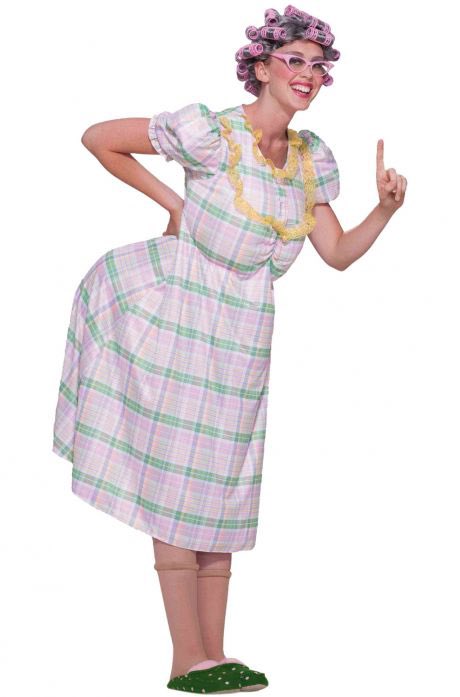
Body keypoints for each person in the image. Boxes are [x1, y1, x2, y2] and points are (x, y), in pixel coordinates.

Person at [51, 4, 407, 693]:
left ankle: (213, 654)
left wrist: (385, 211)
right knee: (178, 481)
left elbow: (336, 252)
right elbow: (99, 138)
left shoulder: (306, 161)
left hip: (244, 335)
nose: (308, 74)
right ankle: (185, 657)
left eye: (318, 65)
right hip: (176, 315)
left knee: (221, 485)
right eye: (294, 61)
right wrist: (174, 204)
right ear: (263, 66)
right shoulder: (213, 134)